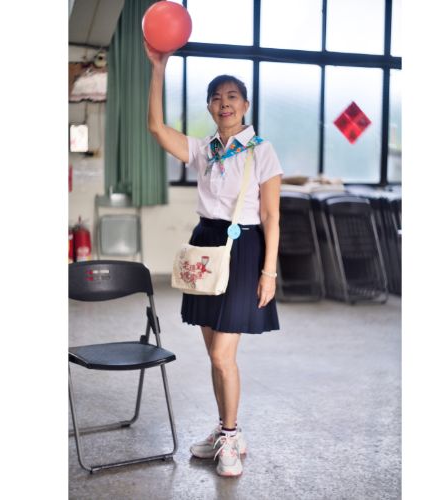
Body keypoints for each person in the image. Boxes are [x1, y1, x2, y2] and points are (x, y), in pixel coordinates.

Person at [145, 42, 283, 478]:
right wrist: (159, 68)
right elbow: (155, 127)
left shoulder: (261, 150)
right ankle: (226, 429)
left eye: (232, 97)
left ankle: (231, 434)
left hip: (244, 248)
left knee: (223, 354)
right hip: (205, 245)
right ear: (209, 106)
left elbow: (271, 216)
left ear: (245, 105)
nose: (224, 103)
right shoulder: (204, 149)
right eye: (217, 98)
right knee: (214, 354)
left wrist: (269, 271)